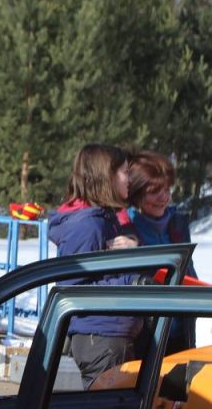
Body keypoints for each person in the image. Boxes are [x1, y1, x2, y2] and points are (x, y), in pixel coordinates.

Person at [48, 144, 143, 389]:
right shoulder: (89, 225)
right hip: (101, 338)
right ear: (106, 176)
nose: (129, 178)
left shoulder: (106, 219)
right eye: (124, 171)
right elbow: (72, 286)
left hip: (112, 335)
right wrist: (131, 281)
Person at [127, 150, 198, 353]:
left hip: (179, 335)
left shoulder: (178, 225)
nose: (163, 197)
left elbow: (189, 275)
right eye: (154, 191)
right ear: (137, 192)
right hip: (143, 341)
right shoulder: (126, 228)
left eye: (167, 189)